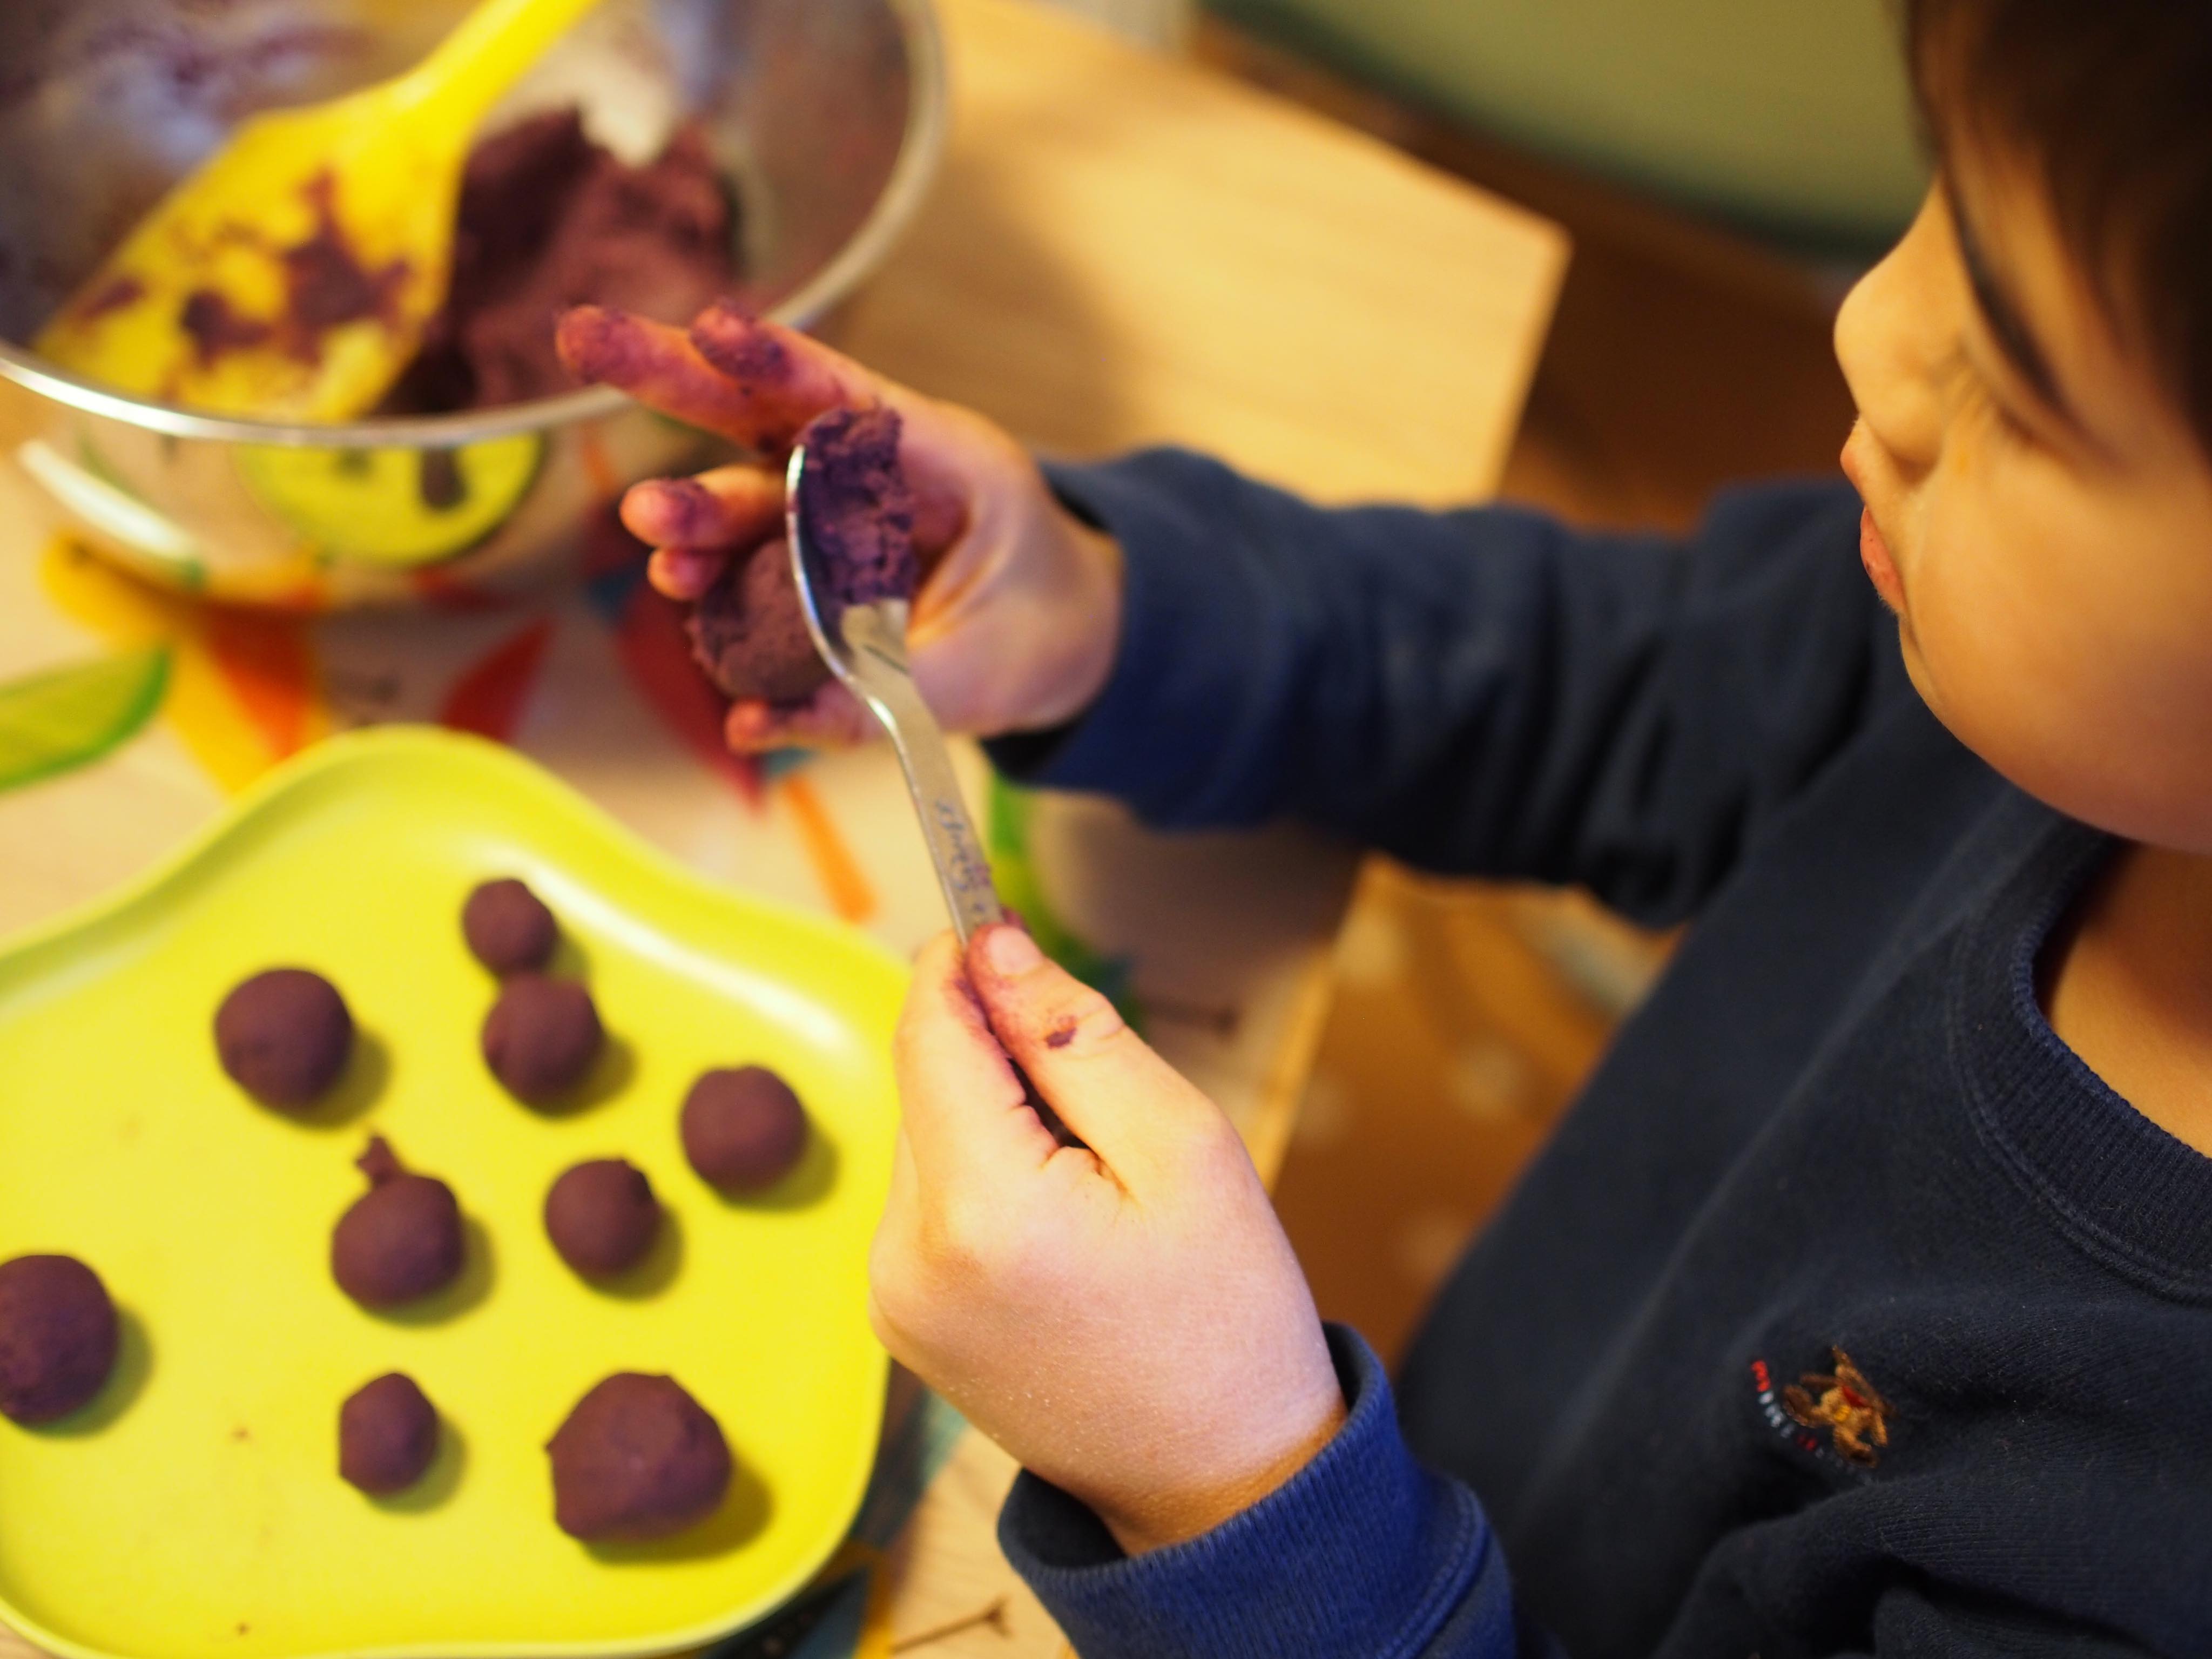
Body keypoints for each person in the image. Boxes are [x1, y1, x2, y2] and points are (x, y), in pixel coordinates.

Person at [558, 0, 2212, 1649]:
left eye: (2020, 379)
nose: (1870, 329)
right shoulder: (2028, 710)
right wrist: (1113, 612)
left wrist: (1230, 1501)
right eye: (1935, 206)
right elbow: (1621, 692)